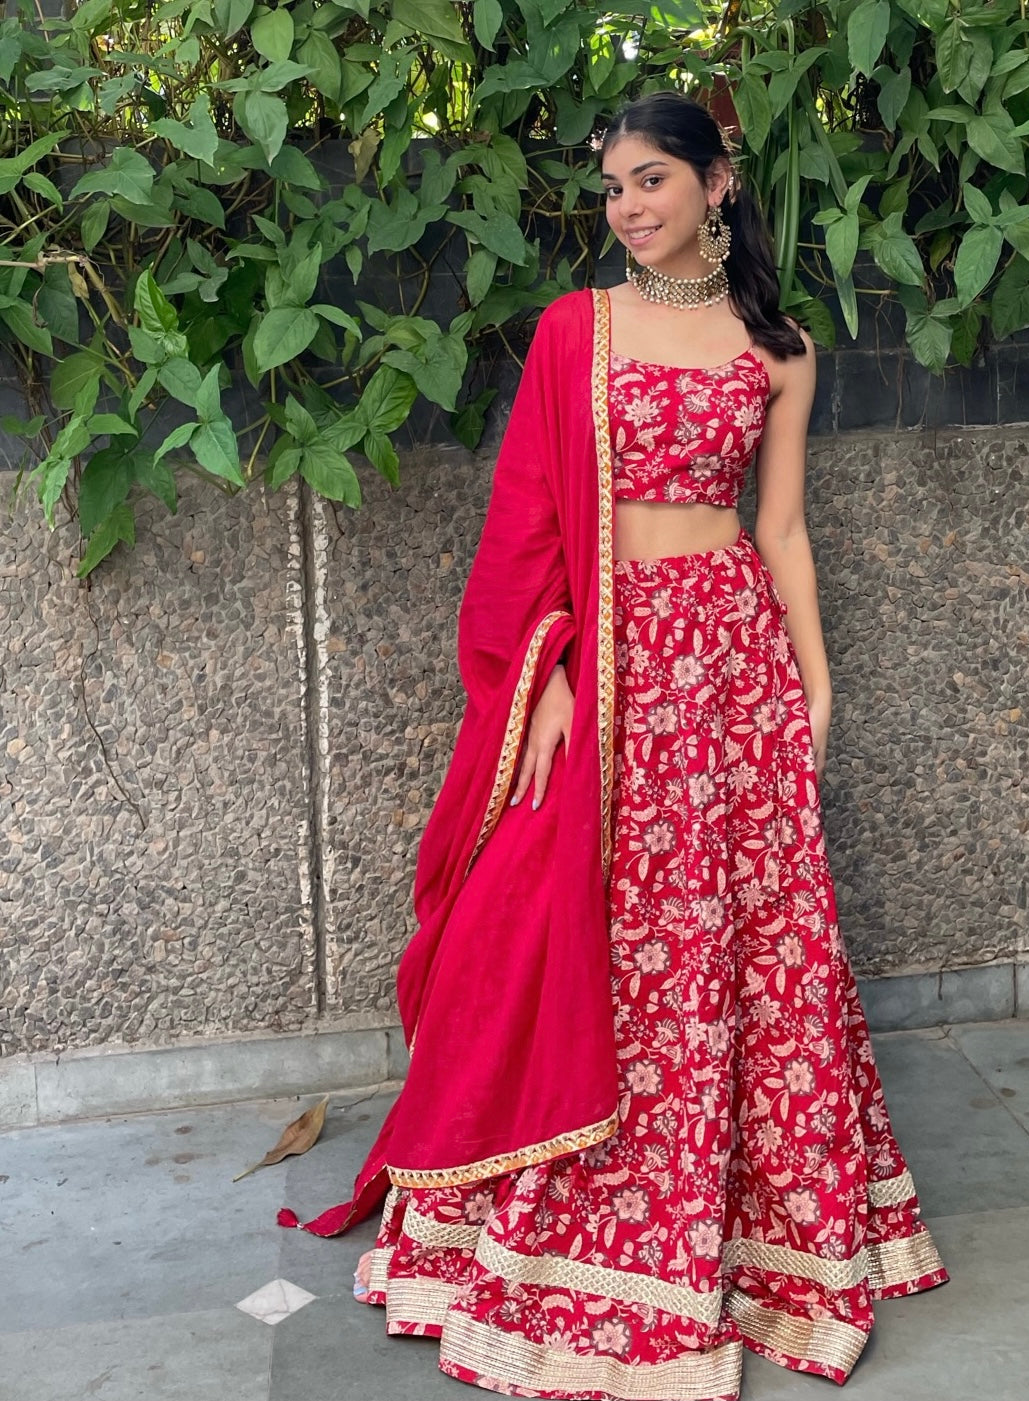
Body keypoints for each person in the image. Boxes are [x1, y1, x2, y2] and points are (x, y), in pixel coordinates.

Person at [281, 89, 948, 1399]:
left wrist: (814, 685)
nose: (629, 208)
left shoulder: (781, 349)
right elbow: (527, 518)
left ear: (718, 183)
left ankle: (744, 1227)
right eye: (612, 189)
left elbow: (784, 530)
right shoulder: (573, 331)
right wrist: (545, 678)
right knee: (602, 926)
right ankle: (571, 1219)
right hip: (605, 661)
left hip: (731, 665)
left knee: (737, 940)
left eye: (652, 180)